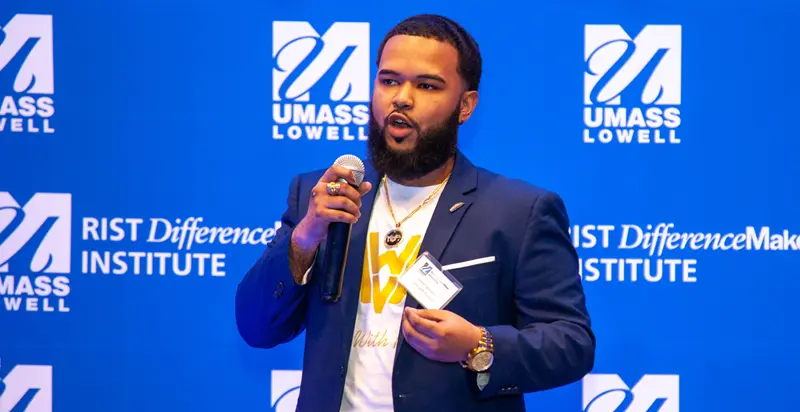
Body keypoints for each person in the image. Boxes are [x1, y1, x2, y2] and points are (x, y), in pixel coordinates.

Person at [235, 13, 595, 412]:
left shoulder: (518, 211)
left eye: (426, 85)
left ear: (465, 106)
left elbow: (572, 345)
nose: (401, 97)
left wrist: (479, 345)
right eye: (389, 81)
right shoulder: (322, 196)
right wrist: (304, 238)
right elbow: (256, 328)